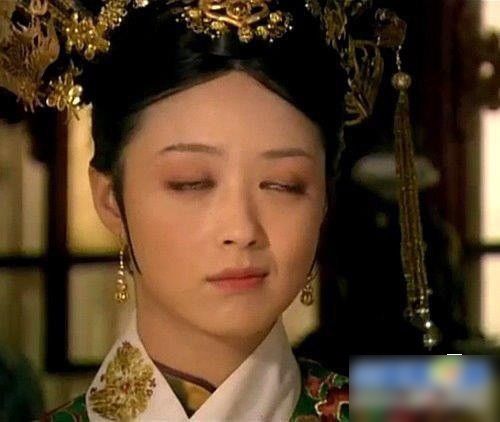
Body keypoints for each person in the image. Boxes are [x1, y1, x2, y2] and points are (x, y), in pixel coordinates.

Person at [1, 0, 410, 420]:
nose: (242, 229)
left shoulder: (422, 408)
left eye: (283, 184)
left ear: (323, 198)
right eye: (191, 182)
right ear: (111, 201)